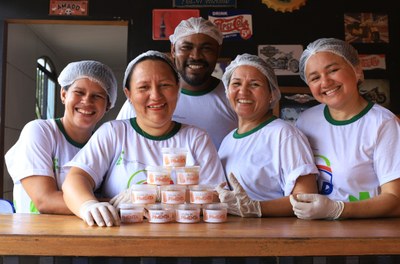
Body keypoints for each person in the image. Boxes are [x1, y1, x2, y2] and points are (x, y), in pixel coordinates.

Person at [62, 51, 225, 227]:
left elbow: (218, 195)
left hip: (183, 242)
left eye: (164, 85)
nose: (155, 95)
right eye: (143, 87)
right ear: (129, 94)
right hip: (120, 242)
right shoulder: (113, 133)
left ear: (177, 89)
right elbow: (76, 179)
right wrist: (88, 205)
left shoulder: (196, 139)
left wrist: (156, 194)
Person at [289, 38, 400, 220]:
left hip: (368, 234)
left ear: (357, 71)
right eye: (315, 77)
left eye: (333, 70)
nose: (325, 82)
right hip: (314, 232)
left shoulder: (382, 123)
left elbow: (396, 200)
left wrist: (338, 209)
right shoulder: (306, 121)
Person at [4, 60, 118, 214]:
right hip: (35, 234)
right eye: (79, 92)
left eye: (97, 96)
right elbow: (45, 200)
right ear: (64, 95)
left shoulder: (104, 144)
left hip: (81, 234)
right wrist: (117, 203)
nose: (86, 101)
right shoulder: (40, 131)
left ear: (108, 105)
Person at [215, 53, 319, 217]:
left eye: (254, 84)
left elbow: (307, 198)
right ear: (228, 91)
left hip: (274, 236)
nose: (243, 91)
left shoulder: (283, 134)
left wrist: (256, 208)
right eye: (236, 83)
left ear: (271, 94)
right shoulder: (228, 140)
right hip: (236, 235)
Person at [116, 17, 238, 149]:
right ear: (173, 50)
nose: (196, 56)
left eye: (206, 48)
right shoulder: (145, 100)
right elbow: (118, 146)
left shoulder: (234, 99)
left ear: (218, 51)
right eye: (186, 47)